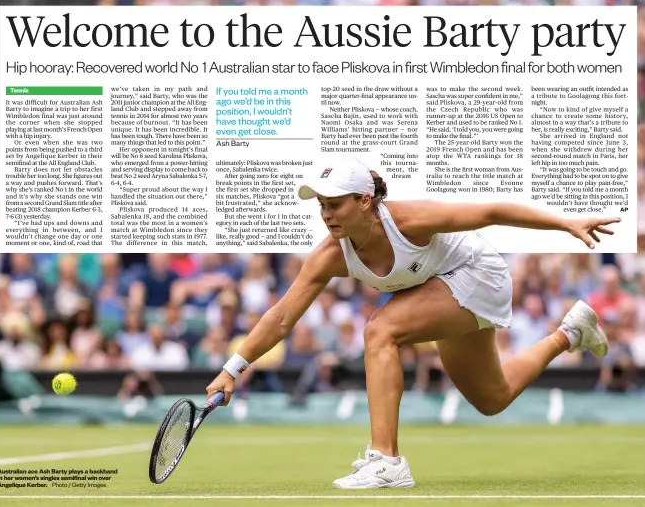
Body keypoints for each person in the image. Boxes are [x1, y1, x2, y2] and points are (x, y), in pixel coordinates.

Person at [207, 157, 618, 489]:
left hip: (477, 272)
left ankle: (386, 460)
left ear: (365, 201)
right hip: (443, 289)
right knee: (493, 398)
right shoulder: (330, 254)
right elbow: (280, 317)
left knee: (380, 329)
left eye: (336, 204)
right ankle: (571, 332)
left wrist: (566, 223)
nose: (326, 214)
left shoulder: (408, 220)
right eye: (322, 206)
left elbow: (490, 211)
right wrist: (232, 369)